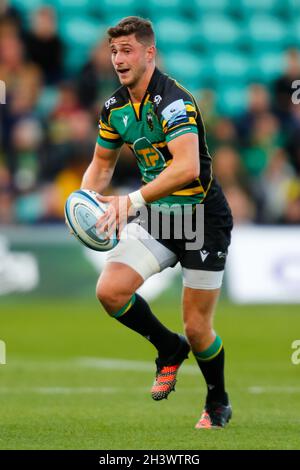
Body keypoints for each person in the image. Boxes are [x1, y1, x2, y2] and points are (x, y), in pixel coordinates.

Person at [80, 16, 233, 429]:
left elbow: (185, 168)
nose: (118, 59)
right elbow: (100, 165)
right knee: (110, 291)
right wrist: (84, 205)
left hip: (201, 218)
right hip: (158, 217)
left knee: (198, 327)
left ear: (150, 53)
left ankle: (217, 400)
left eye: (127, 50)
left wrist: (129, 202)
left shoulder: (175, 102)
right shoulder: (114, 107)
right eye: (114, 51)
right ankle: (168, 348)